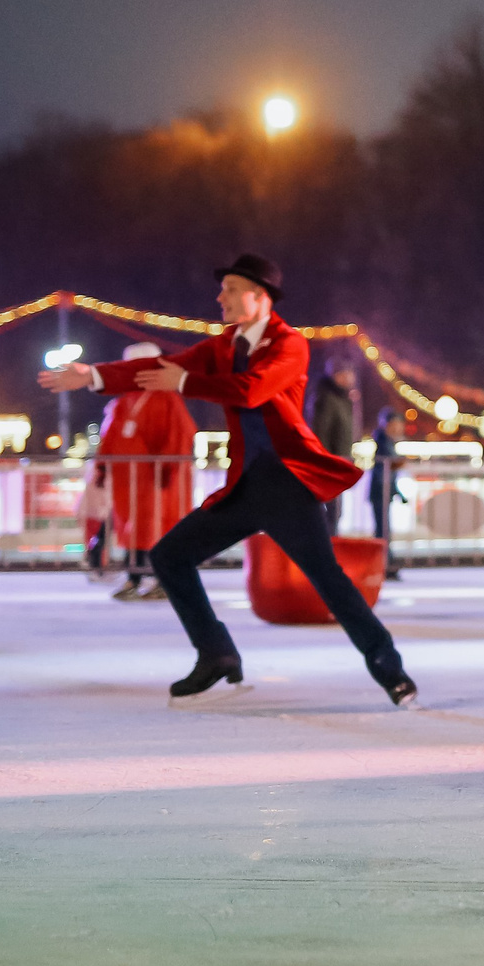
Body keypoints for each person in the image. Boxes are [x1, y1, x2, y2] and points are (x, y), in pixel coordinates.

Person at [40, 255, 417, 707]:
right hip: (245, 486)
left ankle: (390, 670)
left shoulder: (290, 344)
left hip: (286, 485)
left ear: (260, 297)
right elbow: (165, 365)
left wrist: (184, 383)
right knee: (170, 557)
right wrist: (96, 375)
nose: (221, 297)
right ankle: (216, 653)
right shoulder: (224, 346)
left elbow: (253, 388)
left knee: (329, 582)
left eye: (231, 288)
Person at [91, 341, 196, 601]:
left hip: (157, 482)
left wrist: (168, 468)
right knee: (134, 531)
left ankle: (161, 580)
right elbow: (111, 437)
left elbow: (180, 435)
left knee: (159, 529)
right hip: (130, 483)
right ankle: (135, 578)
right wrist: (103, 467)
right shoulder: (125, 401)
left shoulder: (167, 398)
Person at [309, 358, 361, 533]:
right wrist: (325, 462)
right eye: (348, 373)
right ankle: (326, 552)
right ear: (337, 375)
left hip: (338, 464)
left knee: (335, 512)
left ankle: (329, 550)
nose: (352, 378)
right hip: (329, 466)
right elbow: (321, 432)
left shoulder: (343, 399)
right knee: (329, 513)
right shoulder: (328, 399)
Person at [367, 407, 406, 577]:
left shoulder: (387, 442)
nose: (398, 429)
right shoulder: (383, 442)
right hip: (380, 493)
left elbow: (390, 473)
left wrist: (398, 493)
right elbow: (386, 469)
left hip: (384, 492)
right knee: (382, 530)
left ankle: (386, 562)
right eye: (394, 425)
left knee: (384, 529)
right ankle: (384, 564)